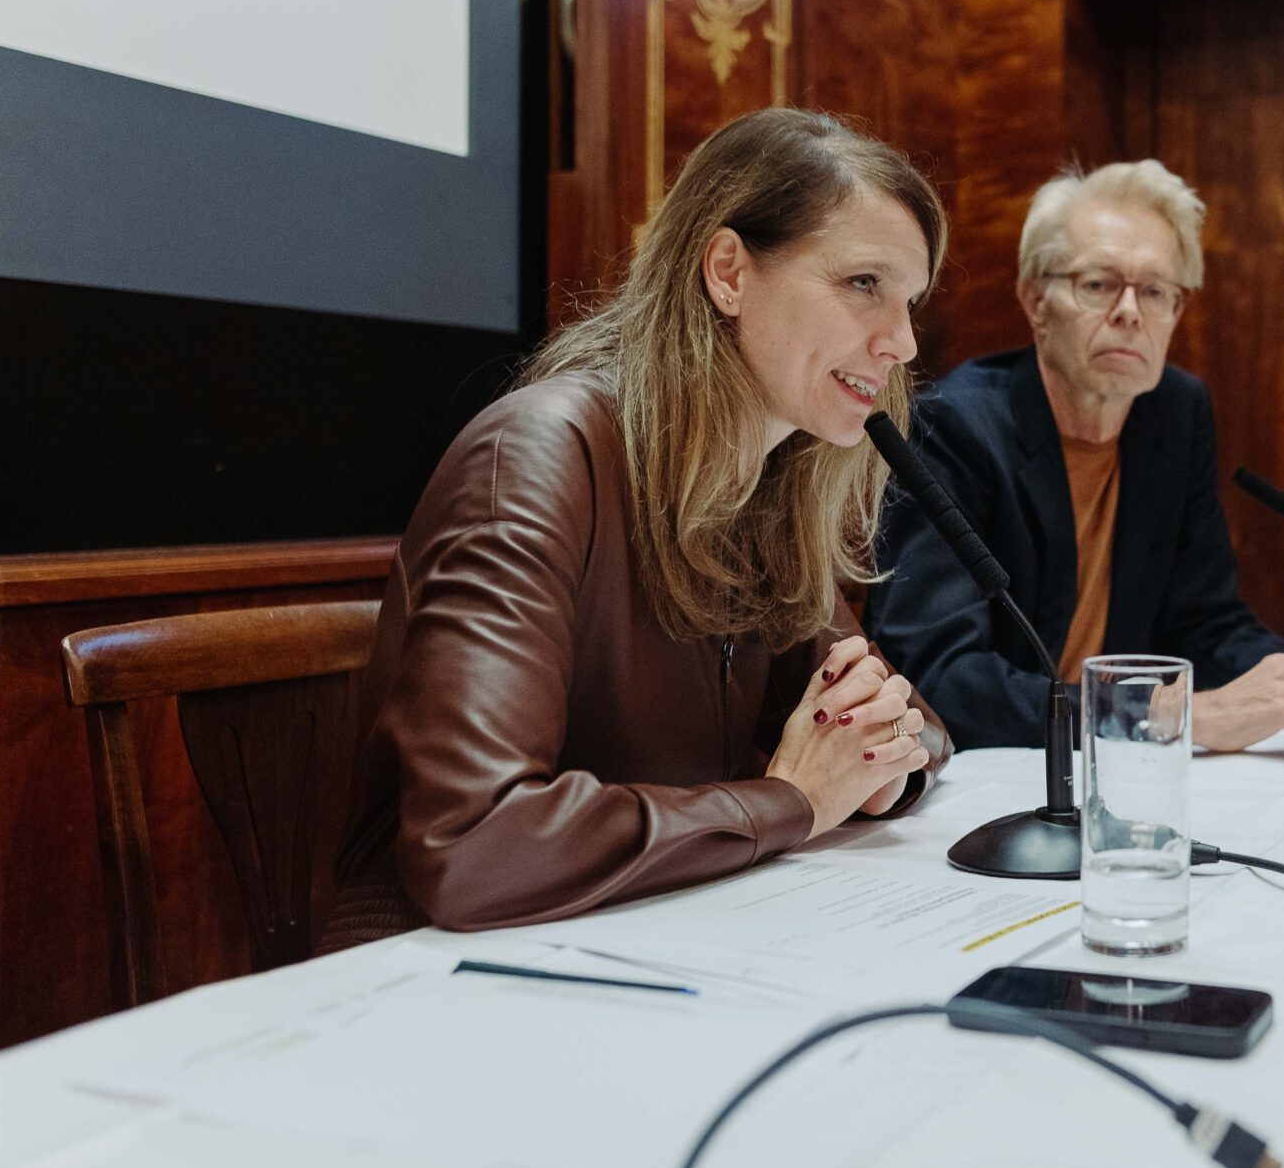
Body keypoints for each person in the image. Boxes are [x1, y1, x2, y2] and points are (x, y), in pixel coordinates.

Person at [328, 108, 951, 943]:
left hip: (651, 932)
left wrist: (879, 770)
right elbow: (474, 841)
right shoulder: (541, 454)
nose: (903, 343)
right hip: (437, 972)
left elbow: (904, 722)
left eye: (910, 301)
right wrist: (792, 801)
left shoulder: (771, 486)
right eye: (863, 284)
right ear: (728, 271)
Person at [864, 160, 1284, 752]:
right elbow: (941, 676)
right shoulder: (956, 428)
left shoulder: (1174, 412)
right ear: (1035, 300)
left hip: (1125, 770)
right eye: (1098, 285)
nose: (1131, 311)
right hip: (1000, 779)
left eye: (1157, 291)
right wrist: (1157, 713)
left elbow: (1205, 620)